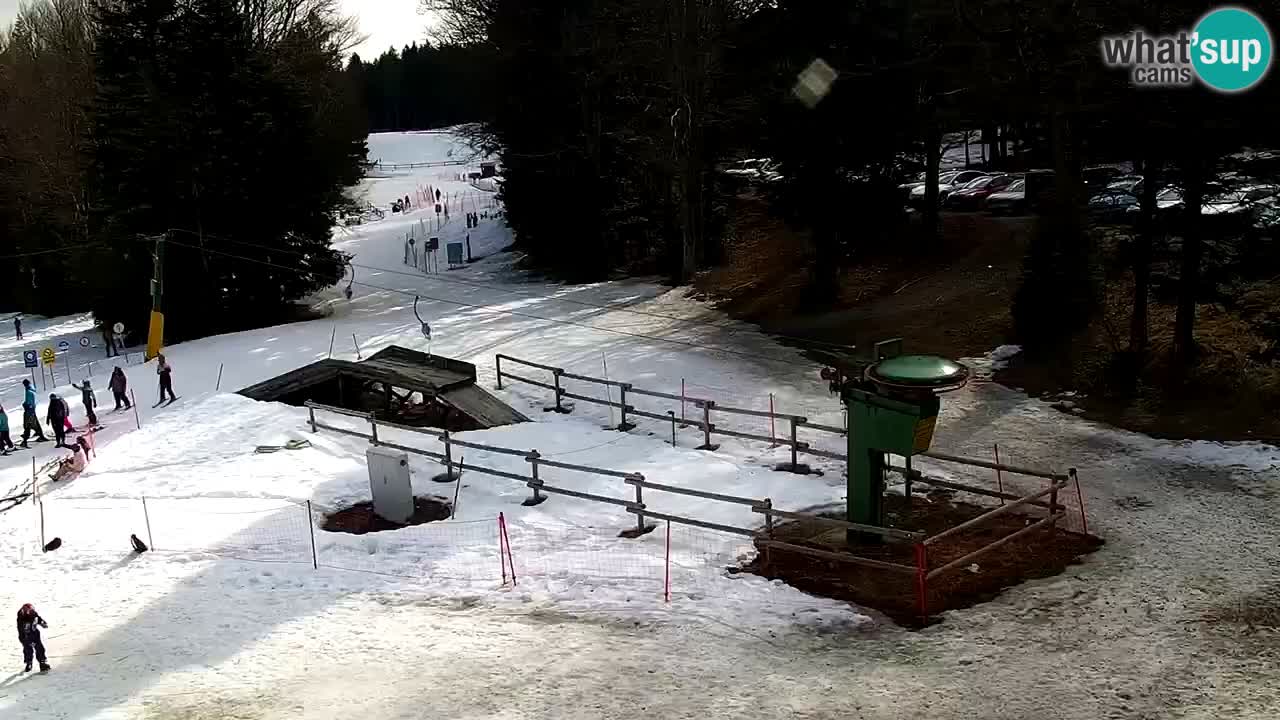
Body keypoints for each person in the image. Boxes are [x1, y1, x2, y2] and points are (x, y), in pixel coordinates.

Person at [16, 603, 50, 673]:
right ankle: (29, 663)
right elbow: (21, 631)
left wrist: (42, 623)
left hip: (35, 634)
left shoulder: (33, 613)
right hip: (25, 636)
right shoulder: (21, 619)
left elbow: (38, 618)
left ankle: (42, 663)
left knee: (39, 648)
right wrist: (26, 640)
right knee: (28, 649)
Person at [20, 379, 46, 448]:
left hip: (29, 411)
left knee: (27, 426)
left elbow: (29, 402)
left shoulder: (28, 391)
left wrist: (25, 405)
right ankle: (41, 436)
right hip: (32, 410)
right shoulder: (32, 389)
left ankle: (24, 441)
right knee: (36, 424)